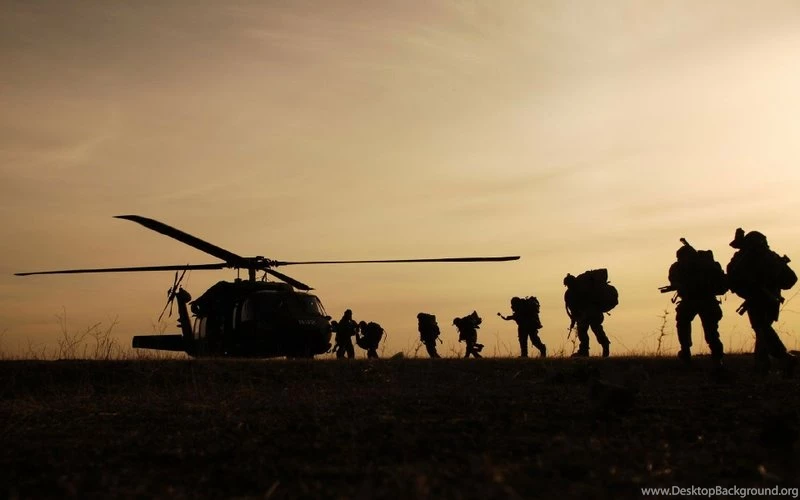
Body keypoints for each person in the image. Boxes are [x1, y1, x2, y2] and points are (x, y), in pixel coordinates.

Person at [727, 228, 798, 375]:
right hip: (769, 299)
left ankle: (782, 358)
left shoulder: (747, 258)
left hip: (760, 298)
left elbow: (732, 276)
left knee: (762, 329)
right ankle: (763, 365)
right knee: (762, 330)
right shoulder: (770, 256)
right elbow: (790, 280)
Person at [661, 238, 727, 365]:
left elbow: (674, 280)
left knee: (693, 327)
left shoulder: (685, 266)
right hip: (702, 301)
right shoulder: (703, 265)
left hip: (697, 300)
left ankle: (693, 353)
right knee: (707, 330)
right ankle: (714, 357)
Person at [564, 269, 618, 357]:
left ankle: (594, 349)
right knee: (588, 331)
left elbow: (574, 309)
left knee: (591, 330)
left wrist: (575, 319)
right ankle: (589, 350)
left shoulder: (577, 291)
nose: (568, 286)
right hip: (591, 314)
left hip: (591, 313)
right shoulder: (574, 292)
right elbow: (573, 310)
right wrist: (574, 320)